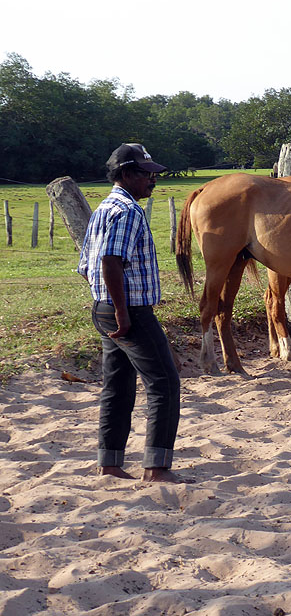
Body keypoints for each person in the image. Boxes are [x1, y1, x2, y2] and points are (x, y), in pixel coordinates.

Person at [77, 143, 185, 483]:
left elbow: (86, 266)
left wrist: (107, 305)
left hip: (104, 308)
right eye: (145, 175)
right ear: (126, 174)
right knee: (164, 384)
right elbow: (110, 261)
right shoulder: (127, 211)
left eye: (153, 175)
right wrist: (123, 312)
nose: (152, 182)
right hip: (130, 312)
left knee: (118, 386)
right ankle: (156, 468)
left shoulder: (103, 209)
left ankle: (109, 463)